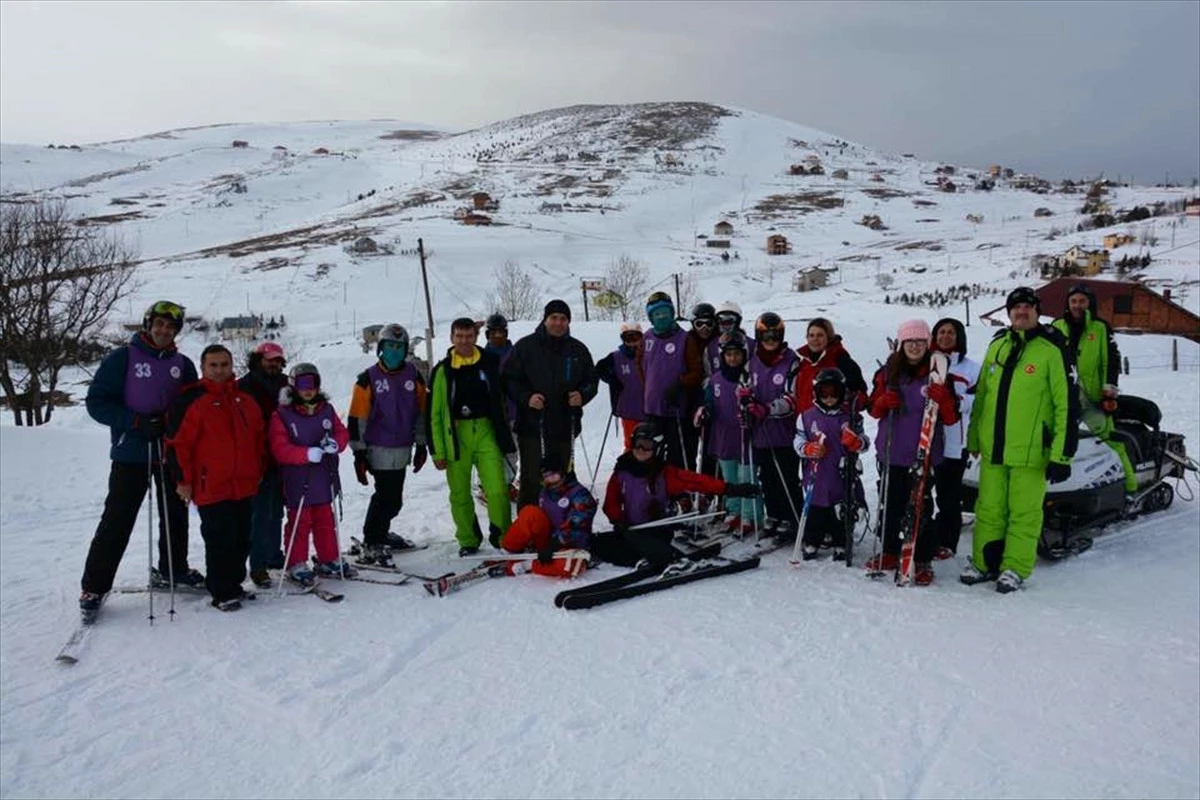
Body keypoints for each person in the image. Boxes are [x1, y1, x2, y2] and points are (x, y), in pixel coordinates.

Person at [78, 300, 202, 620]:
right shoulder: (123, 358)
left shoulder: (183, 364)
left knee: (175, 515)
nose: (163, 330)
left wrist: (176, 424)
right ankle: (94, 585)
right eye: (159, 324)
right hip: (131, 452)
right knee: (118, 518)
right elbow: (96, 403)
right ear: (148, 325)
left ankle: (172, 570)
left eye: (170, 326)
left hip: (170, 453)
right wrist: (134, 422)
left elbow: (192, 405)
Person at [965, 287, 1077, 594]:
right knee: (988, 509)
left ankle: (1014, 568)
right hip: (994, 450)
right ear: (1009, 312)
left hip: (1031, 453)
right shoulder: (997, 345)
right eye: (1016, 307)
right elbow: (982, 398)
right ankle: (984, 563)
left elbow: (1067, 405)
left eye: (1028, 306)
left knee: (1024, 513)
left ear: (1037, 311)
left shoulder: (1052, 349)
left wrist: (1062, 454)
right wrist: (973, 438)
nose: (1021, 311)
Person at [166, 345, 266, 611]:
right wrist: (183, 481)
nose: (219, 370)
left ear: (232, 366)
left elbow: (258, 439)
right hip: (211, 485)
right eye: (213, 365)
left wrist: (258, 471)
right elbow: (178, 445)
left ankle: (234, 584)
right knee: (219, 539)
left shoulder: (244, 399)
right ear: (203, 368)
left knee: (242, 537)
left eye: (224, 364)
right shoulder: (191, 400)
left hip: (244, 483)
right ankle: (222, 591)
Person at [864, 319, 959, 585]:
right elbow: (872, 409)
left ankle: (922, 557)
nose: (915, 347)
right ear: (901, 344)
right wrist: (883, 402)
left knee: (921, 507)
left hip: (924, 453)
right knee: (891, 505)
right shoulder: (887, 373)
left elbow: (951, 419)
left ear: (927, 344)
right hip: (892, 450)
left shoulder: (939, 373)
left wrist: (944, 400)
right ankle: (891, 551)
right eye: (910, 342)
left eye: (920, 342)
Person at [593, 421, 759, 569]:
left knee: (647, 545)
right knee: (599, 542)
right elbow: (611, 501)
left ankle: (672, 561)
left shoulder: (664, 473)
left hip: (658, 529)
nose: (641, 450)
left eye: (647, 445)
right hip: (631, 528)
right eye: (638, 444)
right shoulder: (622, 472)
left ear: (657, 447)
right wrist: (617, 519)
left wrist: (730, 489)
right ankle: (648, 558)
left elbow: (697, 481)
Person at [428, 317, 517, 556]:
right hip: (456, 436)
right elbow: (434, 413)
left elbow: (507, 392)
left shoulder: (490, 362)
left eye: (468, 336)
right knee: (459, 493)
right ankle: (468, 539)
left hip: (486, 431)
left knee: (497, 488)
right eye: (459, 336)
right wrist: (437, 450)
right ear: (452, 338)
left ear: (476, 337)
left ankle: (504, 536)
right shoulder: (443, 370)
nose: (464, 341)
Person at [348, 323, 428, 568]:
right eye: (389, 346)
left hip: (402, 448)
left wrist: (421, 445)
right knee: (386, 497)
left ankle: (380, 533)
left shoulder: (413, 375)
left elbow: (421, 412)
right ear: (380, 349)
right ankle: (372, 541)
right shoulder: (368, 378)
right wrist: (359, 454)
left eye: (399, 347)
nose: (394, 351)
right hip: (377, 449)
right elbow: (356, 418)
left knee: (394, 499)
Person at [503, 299, 597, 508]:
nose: (558, 323)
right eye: (553, 318)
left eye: (563, 319)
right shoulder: (526, 347)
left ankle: (563, 524)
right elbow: (509, 379)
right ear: (545, 320)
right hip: (533, 425)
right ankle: (530, 526)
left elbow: (591, 380)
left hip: (565, 424)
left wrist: (582, 395)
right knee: (532, 478)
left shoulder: (577, 350)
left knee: (562, 477)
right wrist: (526, 397)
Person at [267, 363, 354, 587]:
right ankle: (296, 562)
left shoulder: (326, 409)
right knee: (300, 522)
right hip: (299, 480)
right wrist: (305, 453)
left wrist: (337, 443)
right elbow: (279, 448)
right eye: (303, 384)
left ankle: (328, 558)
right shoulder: (282, 415)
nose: (309, 390)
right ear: (294, 386)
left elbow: (340, 432)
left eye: (313, 384)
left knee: (325, 520)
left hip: (324, 477)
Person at [1051, 283, 1136, 497]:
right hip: (1062, 396)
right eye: (1073, 301)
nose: (1077, 305)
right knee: (1054, 438)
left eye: (1082, 301)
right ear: (1067, 304)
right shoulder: (1056, 326)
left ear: (1090, 303)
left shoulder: (1100, 328)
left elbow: (1111, 361)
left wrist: (1109, 391)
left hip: (1090, 397)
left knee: (1110, 438)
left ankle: (1130, 486)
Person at [793, 369, 870, 560]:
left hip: (841, 474)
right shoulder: (807, 416)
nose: (829, 398)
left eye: (833, 393)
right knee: (817, 510)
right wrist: (807, 448)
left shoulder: (850, 418)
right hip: (817, 474)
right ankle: (812, 540)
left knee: (840, 510)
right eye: (824, 394)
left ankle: (840, 541)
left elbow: (864, 441)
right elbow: (797, 440)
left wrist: (857, 442)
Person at [739, 312, 802, 540]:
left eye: (775, 335)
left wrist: (769, 408)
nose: (771, 340)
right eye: (766, 335)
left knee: (786, 476)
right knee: (767, 477)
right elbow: (743, 388)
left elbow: (793, 397)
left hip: (784, 433)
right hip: (760, 433)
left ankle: (791, 517)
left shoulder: (791, 361)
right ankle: (774, 514)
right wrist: (745, 401)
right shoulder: (752, 363)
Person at [694, 336, 762, 535]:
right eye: (729, 354)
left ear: (744, 356)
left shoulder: (749, 377)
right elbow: (708, 403)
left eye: (737, 354)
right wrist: (704, 412)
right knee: (729, 476)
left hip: (745, 433)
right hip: (723, 434)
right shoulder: (715, 379)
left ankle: (751, 515)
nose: (733, 358)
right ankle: (734, 510)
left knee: (746, 475)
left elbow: (757, 402)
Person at [237, 341, 289, 587]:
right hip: (255, 457)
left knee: (276, 511)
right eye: (269, 360)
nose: (274, 364)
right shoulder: (244, 386)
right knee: (258, 515)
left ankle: (274, 556)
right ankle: (257, 566)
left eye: (278, 360)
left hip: (283, 457)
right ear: (258, 360)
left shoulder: (286, 384)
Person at [929, 318, 981, 559]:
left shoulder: (970, 368)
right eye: (942, 332)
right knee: (921, 489)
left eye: (951, 332)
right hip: (925, 438)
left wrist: (959, 402)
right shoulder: (924, 363)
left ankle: (947, 540)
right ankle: (922, 533)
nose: (946, 336)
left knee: (948, 493)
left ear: (959, 337)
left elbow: (981, 401)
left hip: (954, 440)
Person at [499, 453, 597, 578]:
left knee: (568, 566)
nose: (551, 480)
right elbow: (541, 519)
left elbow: (577, 525)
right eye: (546, 476)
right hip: (548, 542)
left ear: (562, 472)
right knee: (530, 512)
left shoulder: (580, 495)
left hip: (570, 544)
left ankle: (529, 565)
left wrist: (555, 544)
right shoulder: (545, 492)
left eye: (554, 475)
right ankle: (508, 551)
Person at [641, 292, 705, 470]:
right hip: (652, 408)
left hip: (676, 408)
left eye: (665, 313)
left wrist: (680, 384)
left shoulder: (684, 339)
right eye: (657, 314)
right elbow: (642, 367)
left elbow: (696, 371)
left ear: (672, 313)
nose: (661, 317)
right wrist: (649, 389)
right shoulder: (647, 338)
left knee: (678, 455)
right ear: (651, 317)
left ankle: (682, 493)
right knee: (653, 452)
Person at [793, 318, 868, 414]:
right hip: (806, 424)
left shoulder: (842, 362)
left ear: (829, 337)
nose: (815, 339)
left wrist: (846, 402)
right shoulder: (803, 364)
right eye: (811, 335)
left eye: (820, 335)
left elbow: (862, 398)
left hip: (836, 425)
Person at [683, 302, 720, 486]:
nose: (704, 328)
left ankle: (714, 486)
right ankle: (690, 487)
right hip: (689, 399)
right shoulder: (686, 340)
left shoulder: (721, 341)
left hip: (715, 399)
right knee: (689, 446)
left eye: (709, 323)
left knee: (711, 447)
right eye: (699, 324)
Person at [595, 322, 646, 451]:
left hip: (650, 409)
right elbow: (598, 369)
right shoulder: (616, 357)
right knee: (631, 443)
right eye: (628, 338)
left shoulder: (649, 355)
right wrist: (612, 380)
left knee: (650, 443)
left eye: (636, 338)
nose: (633, 342)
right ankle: (628, 469)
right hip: (628, 408)